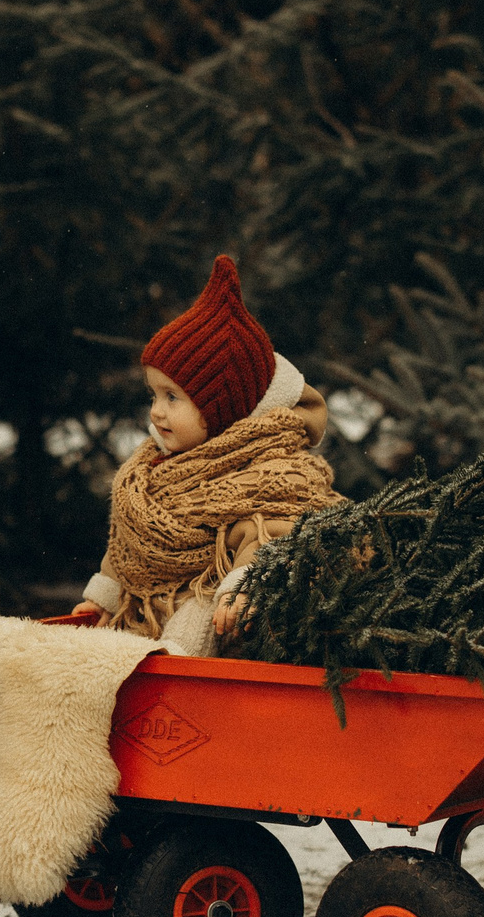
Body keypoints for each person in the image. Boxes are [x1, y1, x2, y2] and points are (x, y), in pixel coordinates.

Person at [69, 255, 343, 655]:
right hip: (151, 607)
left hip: (217, 612)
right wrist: (106, 596)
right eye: (154, 394)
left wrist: (244, 584)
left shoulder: (267, 472)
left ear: (223, 409)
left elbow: (273, 534)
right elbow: (129, 541)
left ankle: (175, 671)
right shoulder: (154, 467)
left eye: (173, 397)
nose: (156, 410)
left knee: (201, 612)